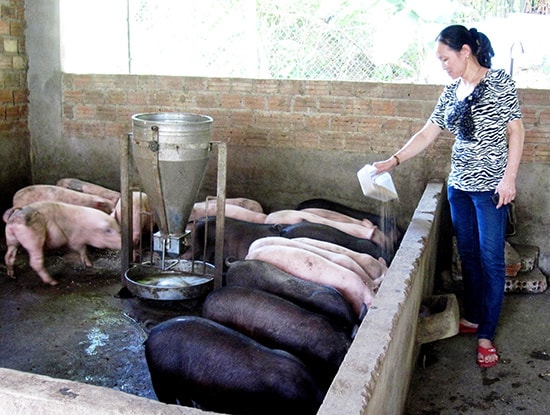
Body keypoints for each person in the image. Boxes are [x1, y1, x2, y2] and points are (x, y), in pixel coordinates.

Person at [373, 24, 524, 368]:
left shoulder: (499, 82)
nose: (443, 64)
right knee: (468, 256)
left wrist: (509, 179)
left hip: (491, 190)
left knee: (491, 260)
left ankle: (487, 332)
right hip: (459, 188)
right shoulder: (451, 90)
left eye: (445, 58)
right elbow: (428, 133)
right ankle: (473, 315)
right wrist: (393, 161)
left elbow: (516, 131)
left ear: (465, 52)